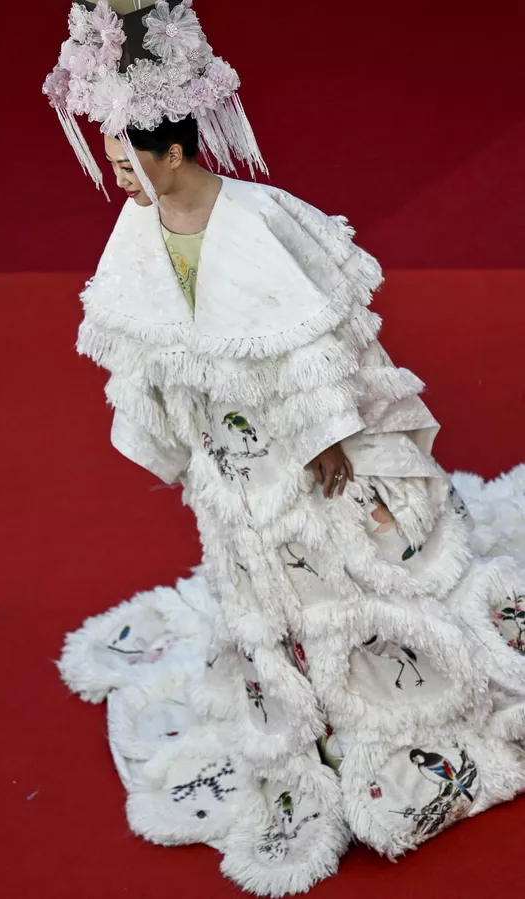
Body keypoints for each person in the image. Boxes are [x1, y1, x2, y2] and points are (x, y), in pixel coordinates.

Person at [47, 3, 525, 895]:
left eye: (125, 160)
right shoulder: (136, 234)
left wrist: (325, 433)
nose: (117, 178)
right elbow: (141, 352)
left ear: (174, 151)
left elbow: (324, 341)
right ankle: (305, 695)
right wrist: (173, 440)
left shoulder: (259, 222)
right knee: (265, 580)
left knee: (349, 563)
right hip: (232, 464)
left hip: (312, 453)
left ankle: (399, 693)